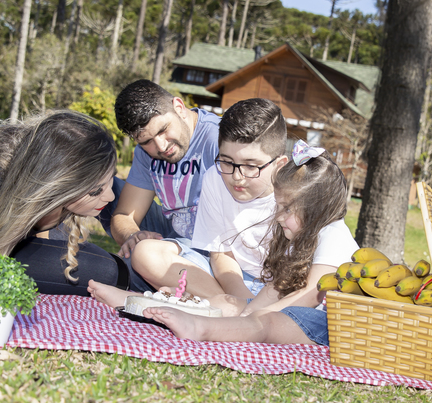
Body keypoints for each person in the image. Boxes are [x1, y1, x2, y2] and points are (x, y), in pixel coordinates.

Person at [88, 139, 357, 345]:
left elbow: (310, 295)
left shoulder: (333, 234)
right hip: (294, 313)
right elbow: (277, 288)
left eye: (287, 209)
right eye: (279, 207)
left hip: (326, 325)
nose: (279, 216)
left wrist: (255, 316)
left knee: (267, 324)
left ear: (316, 208)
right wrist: (247, 310)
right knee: (225, 303)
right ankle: (140, 302)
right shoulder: (297, 240)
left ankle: (200, 328)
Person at [0, 111, 133, 295]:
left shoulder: (45, 175)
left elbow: (41, 233)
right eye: (96, 190)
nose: (110, 197)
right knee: (105, 271)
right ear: (59, 185)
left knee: (98, 265)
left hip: (12, 237)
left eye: (110, 180)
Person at [127, 97, 290, 313]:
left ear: (279, 165)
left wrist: (257, 302)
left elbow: (298, 273)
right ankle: (231, 309)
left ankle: (218, 308)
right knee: (145, 253)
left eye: (251, 166)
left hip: (278, 286)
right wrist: (242, 300)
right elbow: (221, 255)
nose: (237, 177)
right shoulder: (215, 176)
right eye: (227, 161)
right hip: (224, 279)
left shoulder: (296, 194)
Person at [110, 79, 221, 259]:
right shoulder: (144, 152)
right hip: (174, 233)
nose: (161, 146)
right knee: (106, 189)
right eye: (147, 141)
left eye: (163, 130)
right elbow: (124, 215)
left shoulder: (220, 140)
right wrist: (133, 236)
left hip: (216, 245)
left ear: (179, 108)